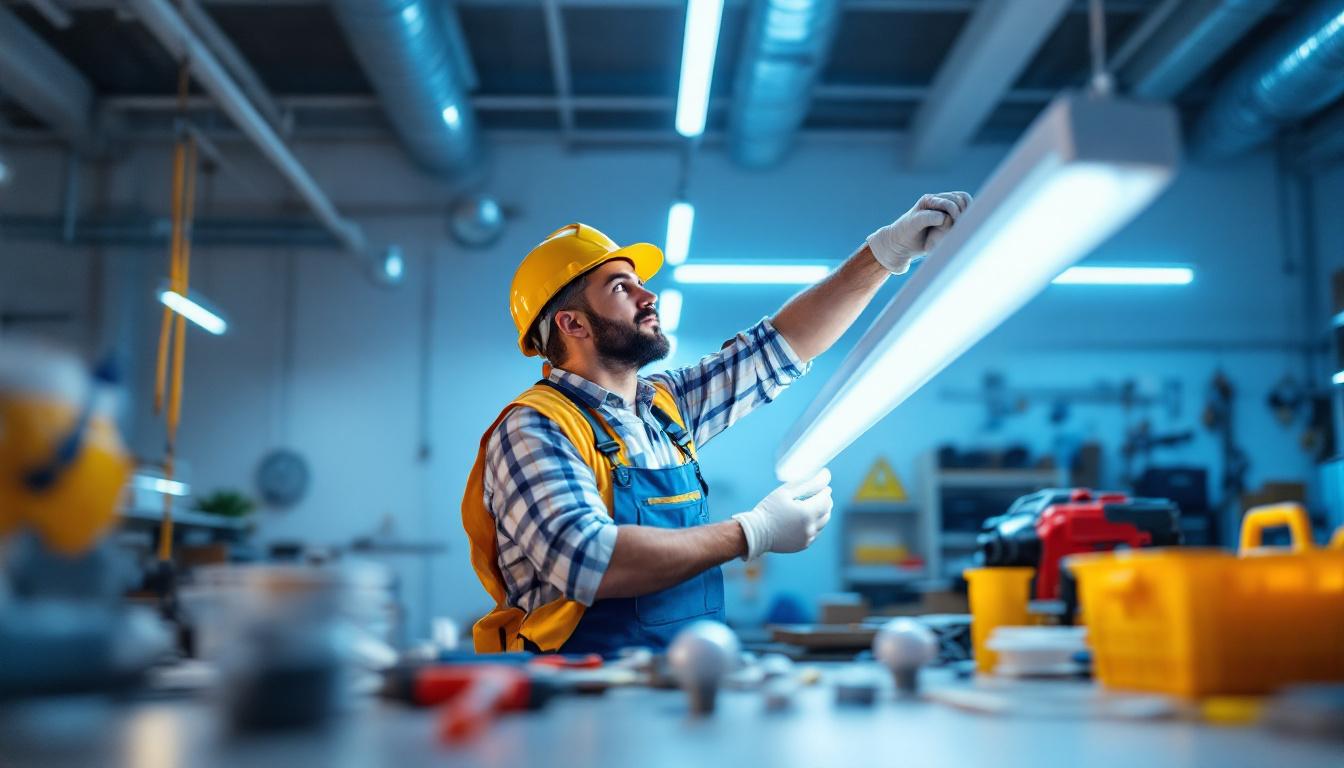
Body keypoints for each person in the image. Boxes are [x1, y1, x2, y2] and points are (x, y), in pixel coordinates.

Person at [462, 192, 972, 655]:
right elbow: (589, 559)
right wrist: (753, 531)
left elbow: (781, 345)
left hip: (676, 684)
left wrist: (884, 254)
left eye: (641, 283)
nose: (648, 296)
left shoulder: (663, 407)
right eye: (622, 287)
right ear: (572, 324)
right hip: (577, 705)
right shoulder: (534, 428)